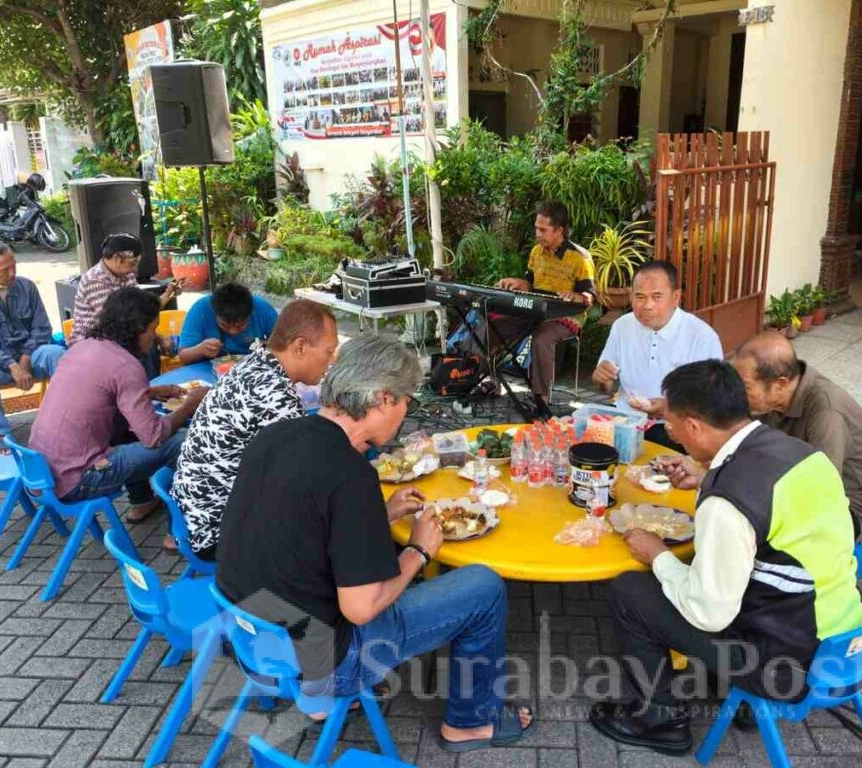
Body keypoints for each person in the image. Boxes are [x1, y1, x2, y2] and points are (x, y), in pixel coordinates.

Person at [216, 335, 534, 751]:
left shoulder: (275, 435)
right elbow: (360, 608)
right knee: (483, 587)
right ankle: (469, 724)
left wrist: (379, 516)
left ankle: (317, 701)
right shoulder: (351, 474)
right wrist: (418, 551)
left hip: (250, 639)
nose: (406, 412)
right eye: (406, 401)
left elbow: (302, 529)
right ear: (383, 398)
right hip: (322, 659)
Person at [589, 360, 862, 756]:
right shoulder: (803, 455)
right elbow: (772, 511)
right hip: (846, 635)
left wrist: (659, 555)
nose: (671, 433)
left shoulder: (727, 503)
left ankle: (659, 719)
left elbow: (709, 613)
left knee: (631, 590)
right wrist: (706, 477)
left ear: (696, 426)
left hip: (790, 666)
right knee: (699, 572)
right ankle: (721, 684)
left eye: (672, 425)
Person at [171, 299, 340, 560]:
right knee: (336, 529)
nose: (331, 361)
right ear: (300, 347)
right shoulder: (275, 396)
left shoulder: (252, 365)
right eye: (329, 352)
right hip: (218, 533)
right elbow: (306, 483)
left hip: (195, 512)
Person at [29, 288, 206, 520]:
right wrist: (189, 405)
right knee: (184, 442)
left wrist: (148, 392)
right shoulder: (126, 366)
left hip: (39, 472)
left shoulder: (83, 346)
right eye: (153, 328)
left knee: (127, 423)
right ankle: (184, 526)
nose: (155, 335)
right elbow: (153, 436)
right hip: (78, 479)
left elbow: (98, 391)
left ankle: (143, 500)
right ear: (136, 329)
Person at [732, 331, 862, 542]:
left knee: (745, 527)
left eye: (746, 387)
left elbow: (820, 490)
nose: (738, 394)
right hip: (795, 492)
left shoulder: (826, 411)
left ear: (780, 383)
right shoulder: (772, 399)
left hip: (850, 510)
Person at [478, 200, 595, 417]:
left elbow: (589, 297)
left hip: (568, 316)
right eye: (536, 228)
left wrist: (575, 296)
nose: (537, 234)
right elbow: (530, 283)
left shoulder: (580, 258)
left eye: (543, 229)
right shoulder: (536, 252)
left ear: (559, 230)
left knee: (542, 338)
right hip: (536, 310)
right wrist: (517, 283)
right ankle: (493, 380)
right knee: (494, 323)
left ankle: (541, 400)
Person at [591, 261, 723, 449]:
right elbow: (605, 386)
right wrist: (601, 378)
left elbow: (713, 400)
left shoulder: (702, 336)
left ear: (676, 297)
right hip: (626, 421)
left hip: (675, 429)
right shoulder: (622, 326)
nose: (647, 306)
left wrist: (670, 408)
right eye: (640, 297)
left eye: (657, 296)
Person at [0, 239, 66, 445]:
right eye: (5, 270)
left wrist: (26, 358)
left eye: (14, 266)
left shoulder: (27, 287)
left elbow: (42, 328)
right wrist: (11, 364)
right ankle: (0, 436)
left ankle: (68, 421)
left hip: (30, 356)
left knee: (56, 354)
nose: (12, 273)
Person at [69, 233, 182, 345]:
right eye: (133, 263)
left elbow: (140, 310)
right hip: (91, 342)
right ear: (117, 258)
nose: (135, 268)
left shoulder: (127, 275)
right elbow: (121, 321)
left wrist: (167, 295)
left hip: (120, 335)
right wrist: (158, 338)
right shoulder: (94, 281)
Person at [178, 282, 278, 364]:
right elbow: (183, 357)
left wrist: (267, 347)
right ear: (215, 313)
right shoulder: (200, 310)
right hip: (209, 369)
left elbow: (284, 346)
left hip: (253, 367)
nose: (233, 332)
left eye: (240, 326)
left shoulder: (263, 309)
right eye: (224, 325)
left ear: (250, 314)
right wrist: (199, 350)